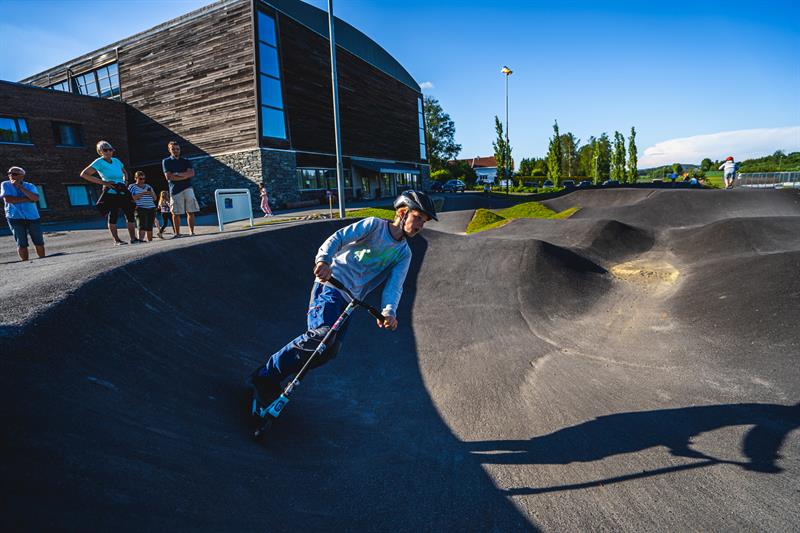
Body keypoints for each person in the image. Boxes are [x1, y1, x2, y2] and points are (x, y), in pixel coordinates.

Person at [248, 190, 438, 404]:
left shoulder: (404, 254)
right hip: (330, 286)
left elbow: (395, 286)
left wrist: (388, 311)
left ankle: (274, 379)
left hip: (350, 301)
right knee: (322, 336)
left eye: (424, 222)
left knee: (329, 351)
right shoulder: (374, 226)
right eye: (418, 218)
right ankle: (265, 375)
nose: (420, 225)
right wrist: (324, 261)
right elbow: (338, 238)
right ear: (402, 212)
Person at [80, 140, 139, 246]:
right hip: (110, 190)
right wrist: (104, 182)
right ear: (100, 151)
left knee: (130, 213)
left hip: (122, 189)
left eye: (110, 149)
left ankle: (134, 238)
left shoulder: (116, 160)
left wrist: (125, 181)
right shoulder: (99, 162)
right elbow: (84, 174)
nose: (108, 152)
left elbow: (124, 171)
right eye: (105, 150)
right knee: (113, 215)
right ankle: (117, 240)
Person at [1, 166, 45, 261]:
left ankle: (43, 260)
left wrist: (20, 187)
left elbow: (35, 199)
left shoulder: (30, 186)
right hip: (14, 217)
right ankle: (25, 262)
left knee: (38, 241)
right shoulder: (5, 185)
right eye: (9, 173)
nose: (11, 175)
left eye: (14, 174)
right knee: (21, 243)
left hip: (32, 217)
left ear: (22, 176)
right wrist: (27, 199)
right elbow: (8, 199)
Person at [162, 141, 199, 237]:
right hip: (175, 190)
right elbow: (169, 177)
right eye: (173, 149)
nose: (175, 151)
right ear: (169, 150)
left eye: (177, 149)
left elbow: (191, 174)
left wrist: (177, 174)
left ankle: (192, 232)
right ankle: (177, 233)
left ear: (180, 150)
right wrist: (184, 176)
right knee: (176, 213)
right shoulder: (166, 161)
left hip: (188, 188)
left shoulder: (186, 161)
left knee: (190, 211)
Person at [128, 171, 158, 242]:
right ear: (135, 178)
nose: (142, 180)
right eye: (140, 179)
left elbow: (155, 198)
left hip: (151, 207)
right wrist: (143, 193)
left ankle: (150, 242)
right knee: (142, 226)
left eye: (144, 179)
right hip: (140, 208)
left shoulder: (148, 186)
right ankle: (140, 241)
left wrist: (151, 193)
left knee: (150, 226)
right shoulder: (132, 186)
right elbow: (130, 198)